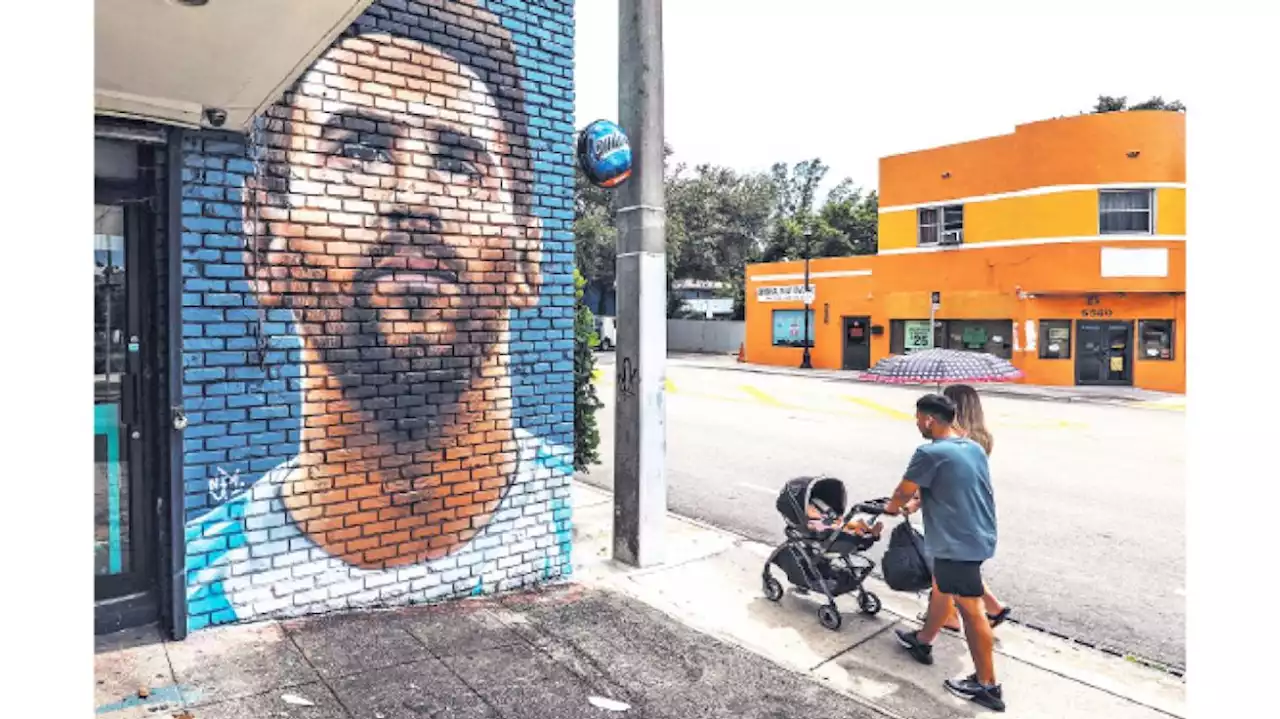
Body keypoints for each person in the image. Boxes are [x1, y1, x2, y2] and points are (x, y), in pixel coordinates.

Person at [184, 1, 568, 623]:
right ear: (262, 242)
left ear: (528, 255)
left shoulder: (562, 519)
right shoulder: (199, 582)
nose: (413, 197)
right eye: (357, 151)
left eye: (459, 163)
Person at [883, 394, 1005, 712]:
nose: (917, 424)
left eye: (918, 419)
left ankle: (987, 685)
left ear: (929, 420)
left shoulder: (929, 452)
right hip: (978, 535)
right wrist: (916, 503)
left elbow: (903, 490)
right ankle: (923, 641)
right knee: (941, 588)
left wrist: (894, 507)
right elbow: (945, 482)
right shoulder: (972, 446)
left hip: (956, 543)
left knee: (971, 611)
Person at [914, 384, 1011, 633]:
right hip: (974, 513)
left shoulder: (957, 441)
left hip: (952, 516)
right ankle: (994, 608)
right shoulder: (981, 437)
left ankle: (944, 620)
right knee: (961, 572)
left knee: (945, 574)